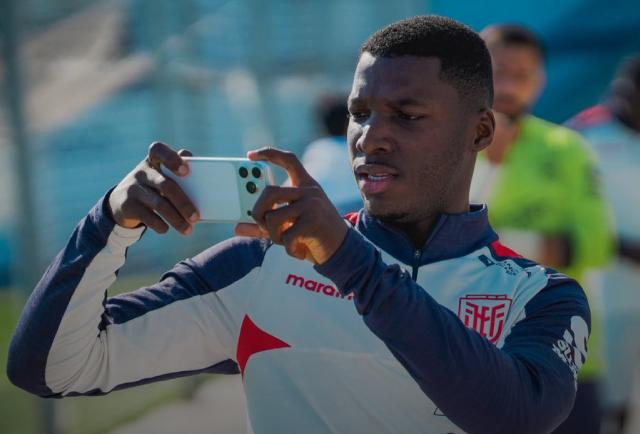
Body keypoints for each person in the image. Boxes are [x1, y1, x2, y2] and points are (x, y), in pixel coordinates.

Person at [8, 16, 591, 433]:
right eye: (360, 113)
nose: (370, 137)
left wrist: (348, 259)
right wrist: (107, 224)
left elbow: (513, 417)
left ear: (480, 132)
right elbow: (53, 369)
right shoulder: (258, 266)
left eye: (407, 115)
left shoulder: (542, 296)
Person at [471, 24, 614, 434]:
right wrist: (493, 167)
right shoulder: (445, 145)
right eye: (498, 72)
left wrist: (494, 244)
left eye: (522, 75)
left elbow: (594, 244)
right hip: (475, 351)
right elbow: (435, 237)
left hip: (565, 351)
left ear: (540, 80)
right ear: (474, 73)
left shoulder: (567, 147)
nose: (508, 86)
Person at [567, 55, 640, 434]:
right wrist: (621, 248)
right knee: (607, 401)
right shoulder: (582, 135)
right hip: (606, 292)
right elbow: (563, 211)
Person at [301, 96, 362, 213]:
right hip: (362, 207)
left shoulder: (316, 149)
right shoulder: (360, 146)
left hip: (328, 211)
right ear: (348, 123)